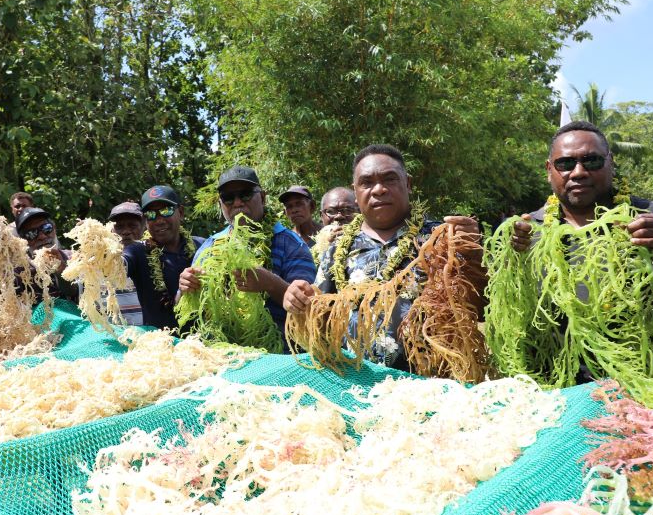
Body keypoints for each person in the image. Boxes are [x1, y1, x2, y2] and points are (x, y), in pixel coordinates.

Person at [510, 121, 653, 383]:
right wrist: (507, 260)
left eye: (591, 161)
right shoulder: (527, 231)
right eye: (565, 163)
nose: (578, 172)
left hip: (635, 395)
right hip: (552, 396)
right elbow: (496, 313)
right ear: (549, 170)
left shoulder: (650, 219)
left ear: (610, 163)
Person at [284, 144, 482, 370]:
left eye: (389, 179)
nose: (378, 189)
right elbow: (318, 312)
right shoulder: (339, 248)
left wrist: (472, 255)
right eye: (367, 183)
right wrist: (297, 300)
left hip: (428, 385)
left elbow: (479, 308)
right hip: (356, 383)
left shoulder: (442, 238)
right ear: (355, 192)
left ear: (408, 183)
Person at [180, 166, 317, 335]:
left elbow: (310, 309)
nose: (237, 203)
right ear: (220, 204)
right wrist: (185, 287)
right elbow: (183, 307)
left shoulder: (291, 244)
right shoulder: (209, 246)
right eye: (228, 198)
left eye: (245, 194)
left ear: (262, 197)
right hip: (220, 352)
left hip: (278, 355)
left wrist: (270, 283)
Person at [122, 186, 205, 328]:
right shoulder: (137, 251)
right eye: (151, 214)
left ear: (181, 212)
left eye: (166, 211)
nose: (159, 220)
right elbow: (120, 264)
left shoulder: (202, 246)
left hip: (204, 344)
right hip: (160, 345)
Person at [15, 207, 78, 303]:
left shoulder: (72, 257)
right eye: (31, 233)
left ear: (54, 228)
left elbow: (74, 292)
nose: (42, 236)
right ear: (23, 241)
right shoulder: (20, 271)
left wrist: (61, 270)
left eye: (46, 228)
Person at [108, 201, 145, 325]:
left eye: (132, 226)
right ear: (111, 230)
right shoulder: (98, 259)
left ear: (144, 226)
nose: (125, 232)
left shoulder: (154, 256)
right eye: (119, 227)